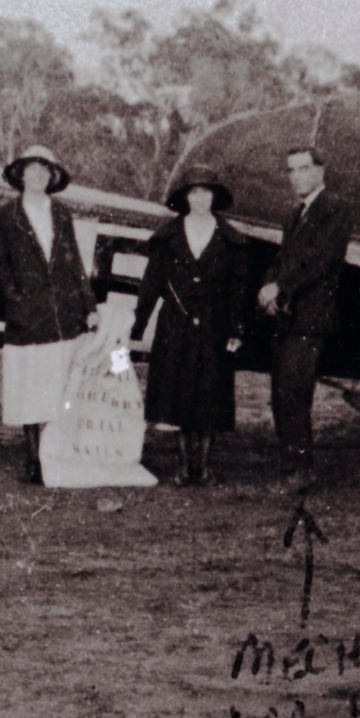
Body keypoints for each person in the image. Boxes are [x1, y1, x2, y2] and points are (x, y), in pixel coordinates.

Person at [0, 145, 98, 484]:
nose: (37, 175)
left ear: (52, 176)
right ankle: (32, 460)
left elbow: (76, 262)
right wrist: (16, 299)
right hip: (27, 318)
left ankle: (55, 455)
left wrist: (89, 307)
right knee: (29, 387)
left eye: (44, 170)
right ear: (20, 175)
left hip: (62, 315)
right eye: (30, 169)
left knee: (58, 386)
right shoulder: (7, 214)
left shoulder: (61, 213)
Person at [133, 164, 250, 486]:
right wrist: (137, 325)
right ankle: (184, 467)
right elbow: (151, 283)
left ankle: (206, 466)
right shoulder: (167, 237)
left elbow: (239, 292)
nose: (200, 198)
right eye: (194, 192)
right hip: (175, 325)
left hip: (215, 326)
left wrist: (237, 330)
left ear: (214, 197)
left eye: (206, 192)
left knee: (209, 395)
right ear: (185, 197)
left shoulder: (232, 240)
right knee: (178, 393)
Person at [257, 147, 352, 475]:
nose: (296, 176)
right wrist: (268, 286)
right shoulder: (295, 213)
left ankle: (299, 472)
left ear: (320, 172)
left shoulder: (335, 209)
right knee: (281, 394)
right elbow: (284, 257)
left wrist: (280, 287)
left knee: (294, 395)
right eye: (291, 170)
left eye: (303, 168)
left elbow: (319, 261)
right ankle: (291, 467)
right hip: (288, 317)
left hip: (311, 319)